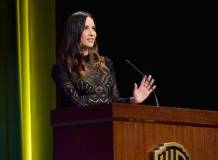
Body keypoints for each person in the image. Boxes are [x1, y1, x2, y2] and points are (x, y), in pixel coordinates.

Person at [51, 11, 156, 107]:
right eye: (86, 28)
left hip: (107, 124)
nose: (92, 33)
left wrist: (133, 100)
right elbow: (75, 102)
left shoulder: (106, 63)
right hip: (82, 125)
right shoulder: (62, 68)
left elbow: (114, 101)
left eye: (93, 28)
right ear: (74, 32)